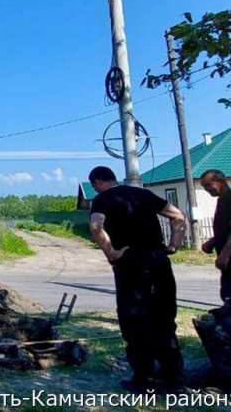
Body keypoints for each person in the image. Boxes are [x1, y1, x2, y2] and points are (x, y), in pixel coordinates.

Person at [87, 166, 186, 391]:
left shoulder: (103, 199)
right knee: (164, 318)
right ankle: (174, 378)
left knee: (134, 320)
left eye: (94, 186)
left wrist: (111, 253)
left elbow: (95, 226)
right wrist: (173, 244)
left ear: (97, 182)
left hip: (130, 263)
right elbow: (178, 215)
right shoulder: (143, 194)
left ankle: (145, 378)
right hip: (158, 260)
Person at [199, 169, 231, 313]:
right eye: (204, 186)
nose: (206, 190)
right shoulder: (222, 200)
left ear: (221, 181)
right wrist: (212, 241)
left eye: (208, 185)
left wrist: (226, 252)